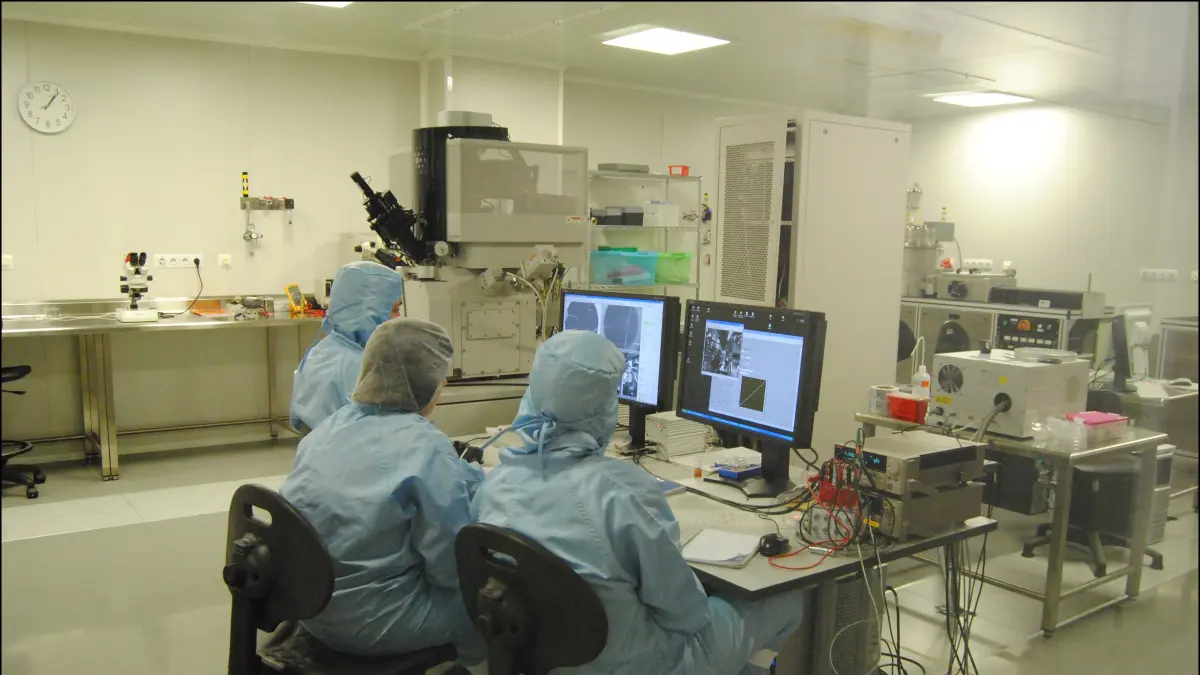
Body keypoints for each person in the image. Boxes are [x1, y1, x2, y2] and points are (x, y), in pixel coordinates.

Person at [471, 330, 809, 675]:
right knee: (782, 599)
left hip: (544, 662)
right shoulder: (622, 493)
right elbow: (686, 614)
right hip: (648, 665)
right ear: (603, 407)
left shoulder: (496, 483)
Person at [280, 318, 485, 662]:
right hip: (372, 622)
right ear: (420, 383)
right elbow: (450, 567)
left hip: (310, 607)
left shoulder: (328, 429)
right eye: (439, 375)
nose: (444, 382)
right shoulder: (425, 446)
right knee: (489, 610)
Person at [289, 261, 405, 432]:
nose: (399, 318)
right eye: (395, 310)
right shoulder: (356, 367)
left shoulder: (327, 348)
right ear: (369, 313)